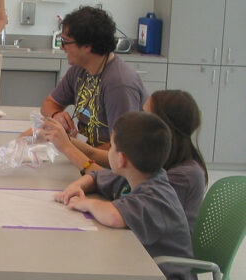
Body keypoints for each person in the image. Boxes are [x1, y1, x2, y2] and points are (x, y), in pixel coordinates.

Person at [44, 112, 193, 280]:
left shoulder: (157, 196)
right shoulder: (134, 176)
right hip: (133, 273)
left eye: (111, 146)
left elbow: (114, 216)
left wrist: (87, 204)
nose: (109, 152)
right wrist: (76, 186)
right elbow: (96, 177)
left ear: (121, 159)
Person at [41, 89, 207, 233]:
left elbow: (115, 215)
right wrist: (63, 141)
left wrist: (67, 148)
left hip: (158, 265)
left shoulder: (173, 180)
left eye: (144, 113)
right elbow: (100, 172)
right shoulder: (149, 167)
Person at [40, 5, 147, 165]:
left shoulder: (119, 84)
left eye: (65, 42)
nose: (62, 47)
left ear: (87, 46)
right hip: (88, 158)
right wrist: (57, 116)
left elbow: (121, 152)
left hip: (111, 170)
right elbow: (48, 104)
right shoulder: (79, 69)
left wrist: (69, 146)